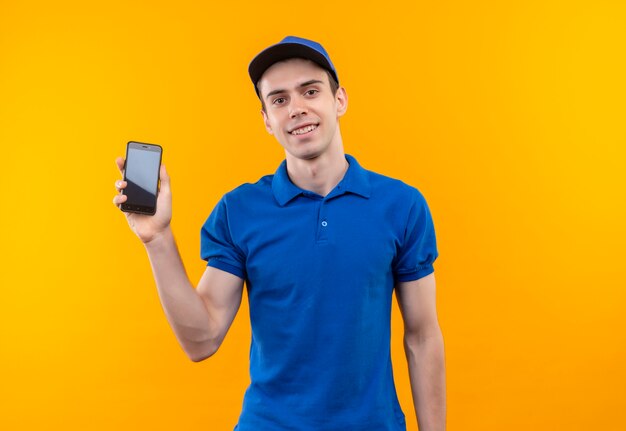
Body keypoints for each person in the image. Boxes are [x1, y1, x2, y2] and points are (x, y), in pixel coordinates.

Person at [113, 36, 446, 431]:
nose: (297, 109)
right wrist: (157, 239)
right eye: (279, 99)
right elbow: (201, 341)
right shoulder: (239, 211)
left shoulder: (402, 205)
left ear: (339, 100)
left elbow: (422, 338)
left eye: (310, 91)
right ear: (267, 120)